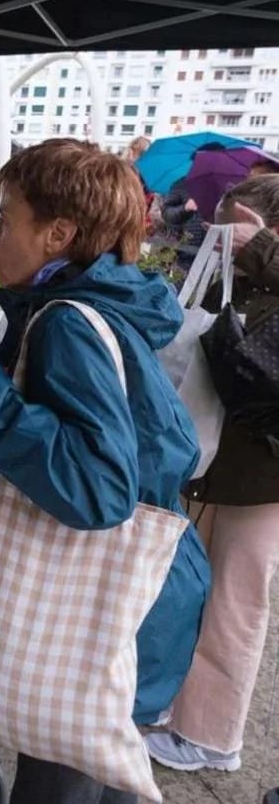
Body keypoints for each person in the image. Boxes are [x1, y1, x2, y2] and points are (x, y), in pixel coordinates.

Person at [0, 139, 210, 803]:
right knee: (99, 767)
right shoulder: (97, 304)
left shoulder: (67, 324)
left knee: (64, 780)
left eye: (8, 217)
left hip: (110, 614)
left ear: (58, 233)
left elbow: (98, 488)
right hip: (153, 598)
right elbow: (51, 404)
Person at [145, 174, 279, 774]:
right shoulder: (247, 280)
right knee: (196, 590)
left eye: (234, 223)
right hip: (218, 464)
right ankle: (177, 711)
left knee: (235, 601)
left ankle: (212, 738)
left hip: (262, 477)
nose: (222, 235)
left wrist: (260, 251)